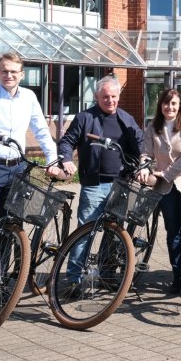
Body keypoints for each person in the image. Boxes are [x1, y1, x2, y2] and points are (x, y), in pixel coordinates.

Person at [58, 76, 144, 288]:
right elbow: (67, 141)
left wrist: (144, 162)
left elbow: (141, 144)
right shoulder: (85, 118)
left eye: (114, 96)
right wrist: (67, 159)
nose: (110, 100)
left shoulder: (126, 119)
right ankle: (74, 280)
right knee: (85, 232)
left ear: (119, 96)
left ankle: (107, 274)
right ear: (97, 97)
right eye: (105, 97)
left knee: (115, 234)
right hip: (95, 185)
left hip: (121, 184)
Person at [0, 52, 60, 241]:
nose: (8, 75)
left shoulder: (29, 97)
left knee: (12, 225)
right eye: (4, 71)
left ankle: (1, 270)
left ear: (22, 74)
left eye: (13, 72)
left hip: (18, 169)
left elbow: (41, 129)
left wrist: (52, 158)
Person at [137, 89, 181, 300]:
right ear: (160, 106)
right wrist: (144, 167)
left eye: (174, 104)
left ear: (180, 106)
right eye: (166, 104)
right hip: (164, 188)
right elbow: (146, 153)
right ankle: (177, 276)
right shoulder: (152, 127)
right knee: (173, 233)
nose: (170, 107)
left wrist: (165, 173)